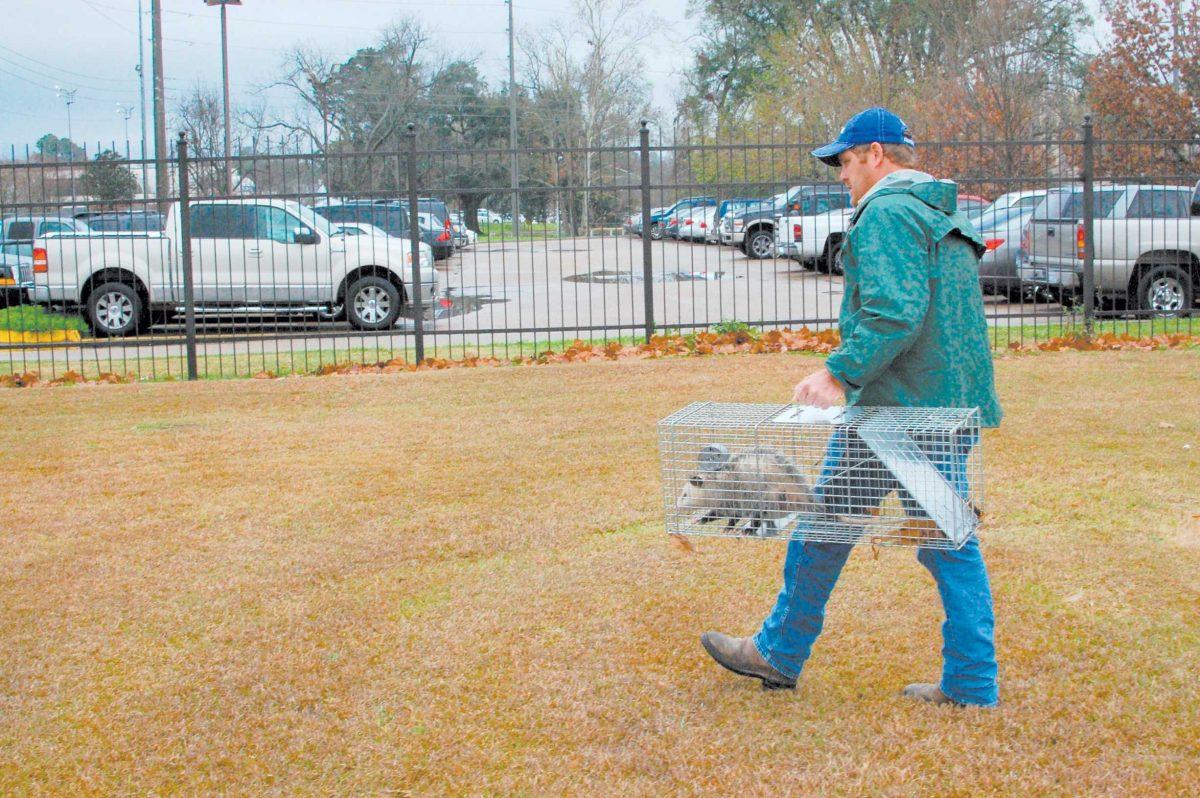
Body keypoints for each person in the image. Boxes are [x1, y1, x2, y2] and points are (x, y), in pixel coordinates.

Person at [700, 107, 1004, 707]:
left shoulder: (889, 213)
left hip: (901, 413)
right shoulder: (933, 210)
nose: (840, 173)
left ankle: (968, 682)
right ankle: (780, 652)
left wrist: (837, 373)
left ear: (875, 154)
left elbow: (894, 312)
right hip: (933, 406)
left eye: (844, 160)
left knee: (945, 543)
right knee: (843, 529)